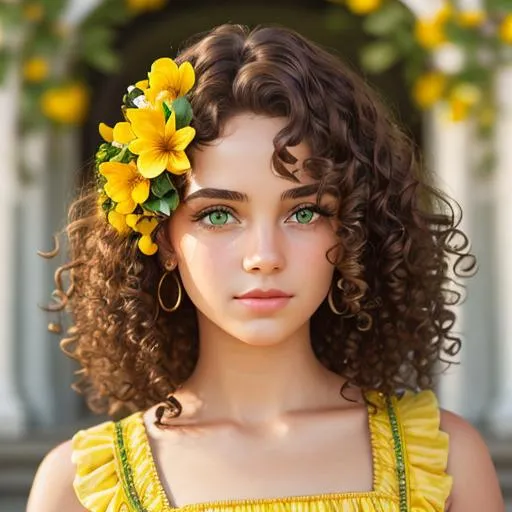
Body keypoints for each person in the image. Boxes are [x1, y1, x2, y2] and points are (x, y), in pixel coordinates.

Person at [27, 23, 504, 512]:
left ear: (352, 230)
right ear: (162, 238)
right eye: (217, 215)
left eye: (304, 212)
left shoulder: (445, 461)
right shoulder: (79, 488)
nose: (264, 256)